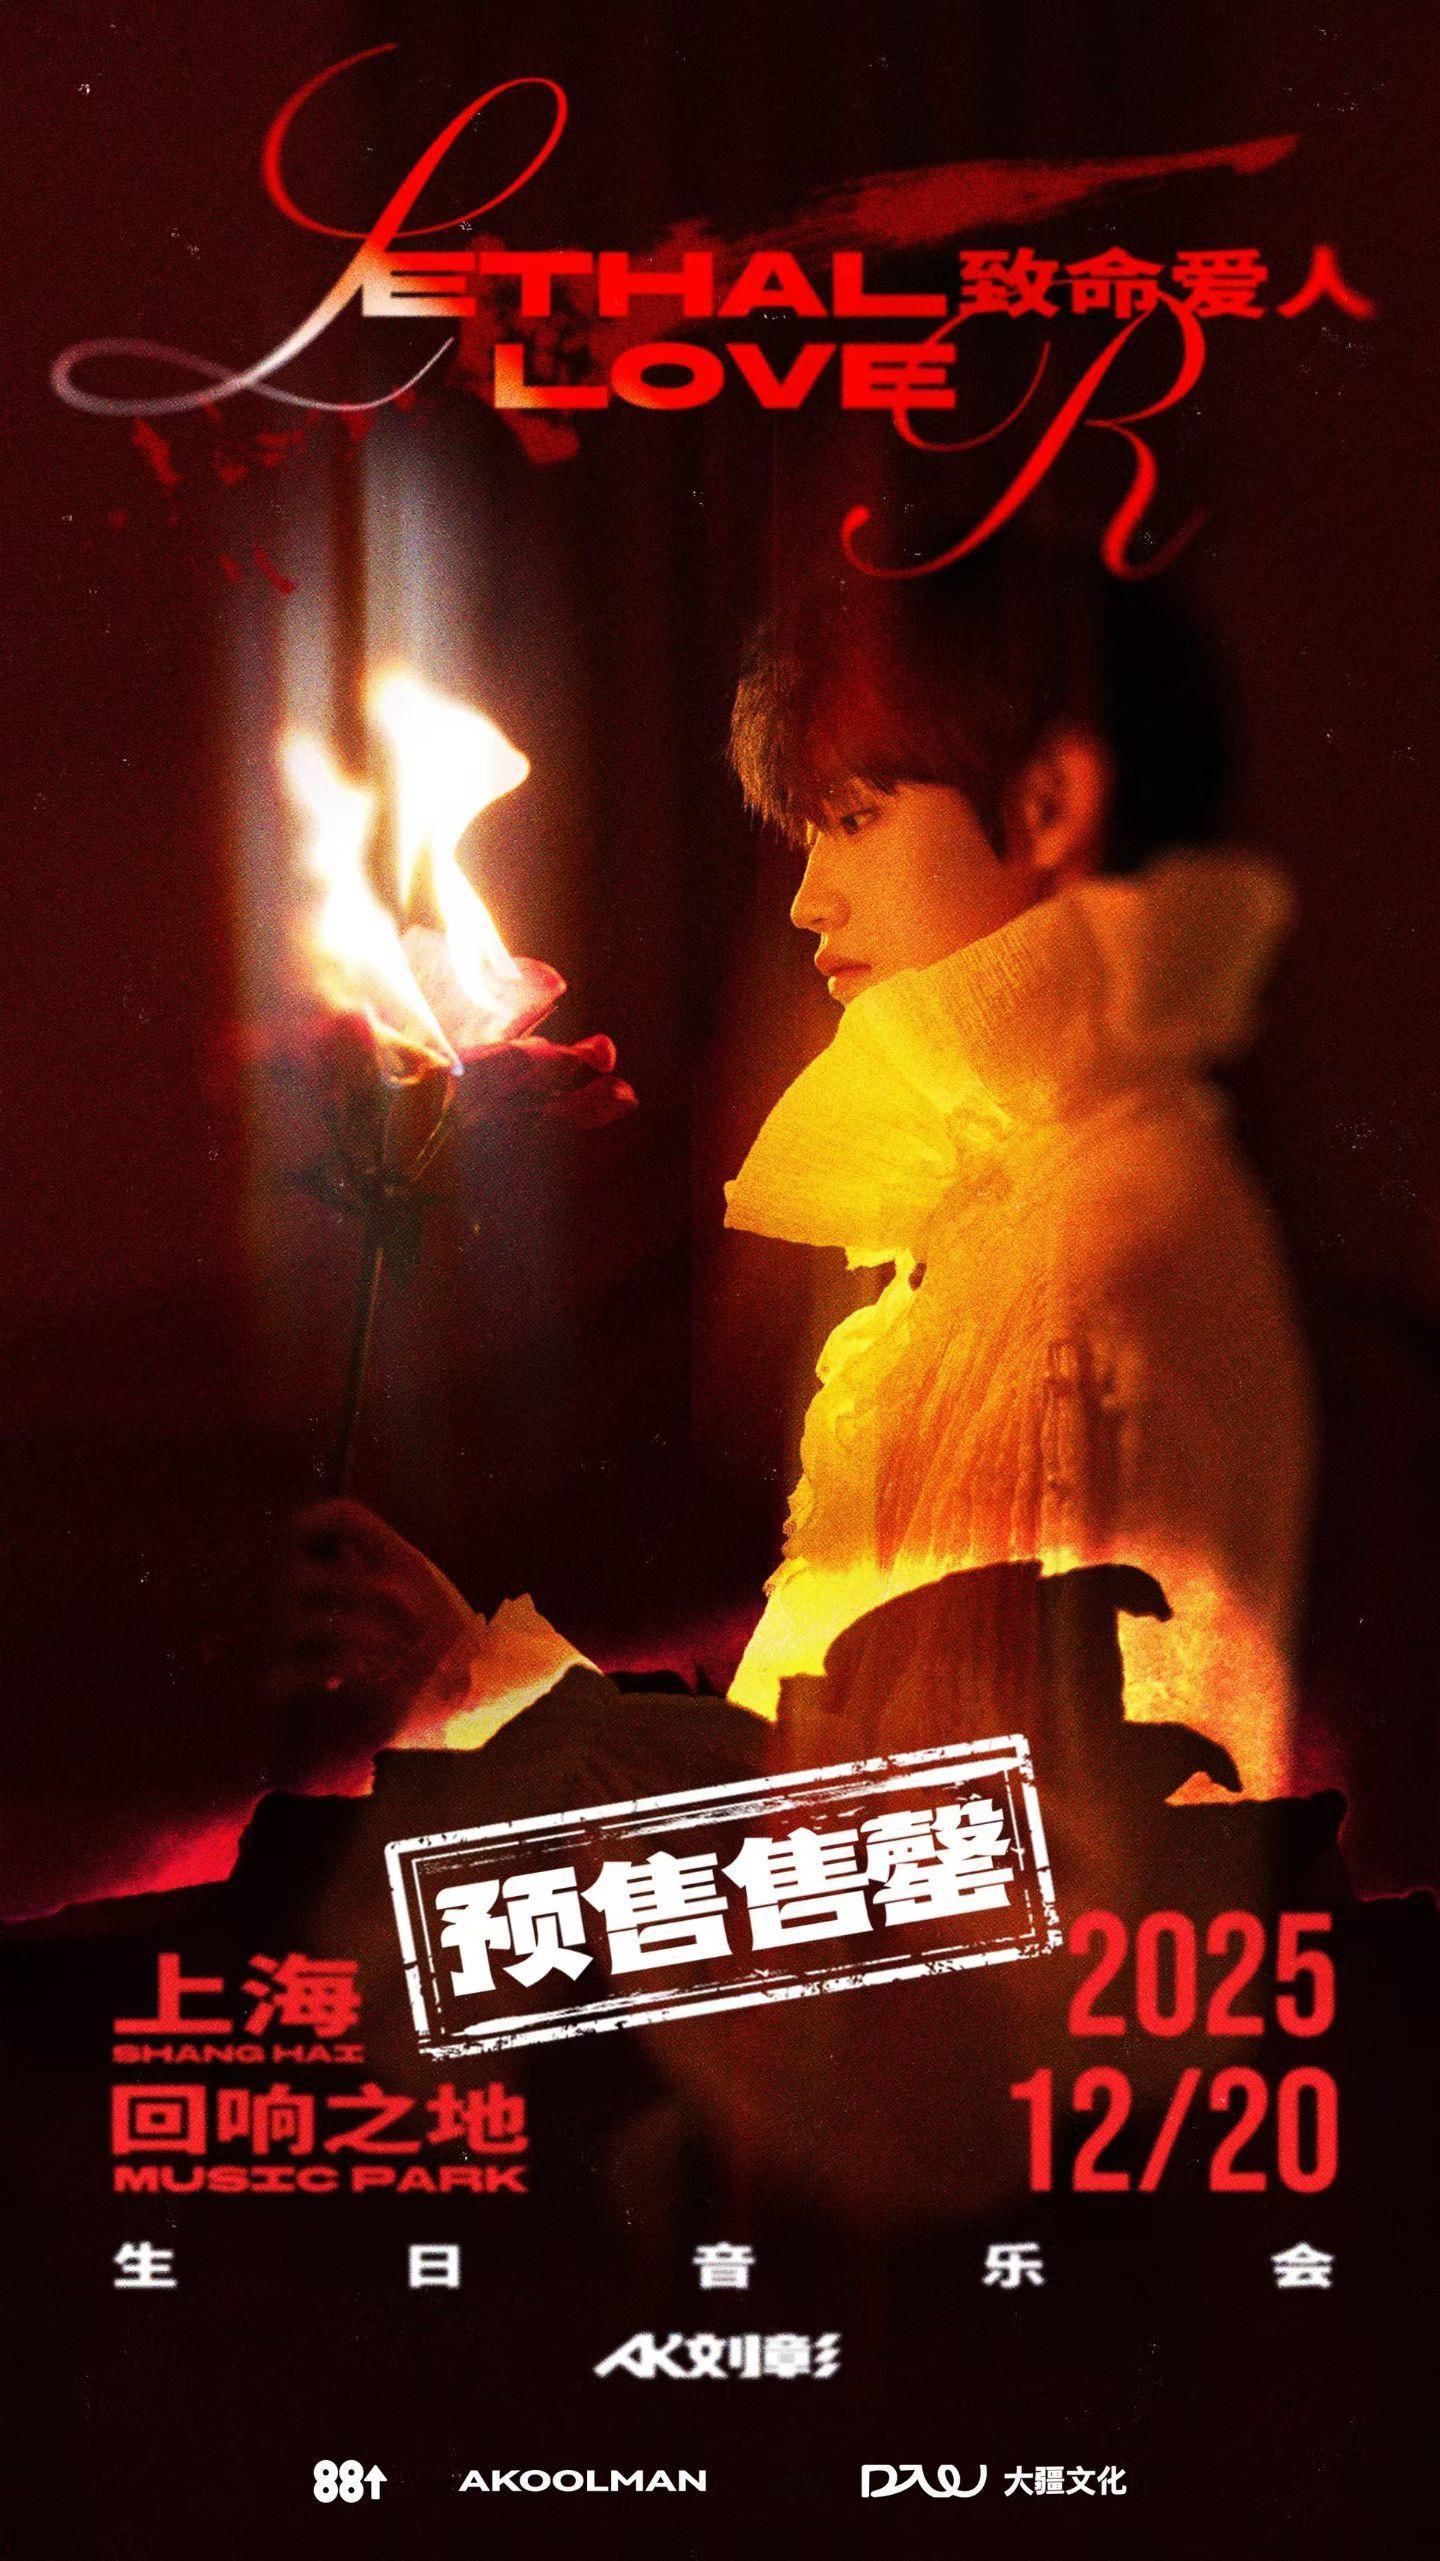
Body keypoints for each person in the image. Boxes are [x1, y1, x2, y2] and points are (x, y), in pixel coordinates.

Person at [277, 535, 1315, 1807]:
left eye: (856, 818)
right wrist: (471, 1683)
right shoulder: (1018, 1213)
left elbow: (956, 1861)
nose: (808, 899)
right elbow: (846, 1787)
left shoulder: (1095, 1242)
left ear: (1049, 806)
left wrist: (478, 1693)